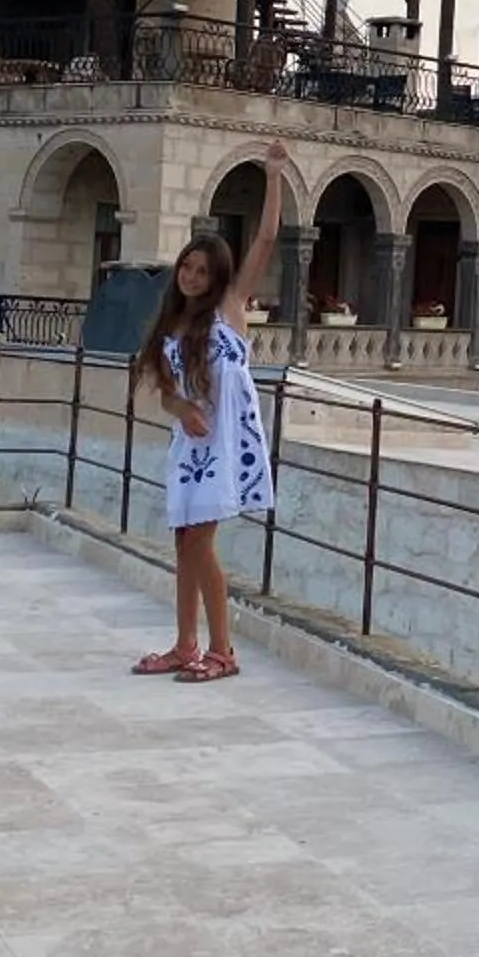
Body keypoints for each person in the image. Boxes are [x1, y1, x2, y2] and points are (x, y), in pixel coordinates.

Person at [131, 142, 288, 684]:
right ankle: (185, 644)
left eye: (201, 270)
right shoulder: (172, 324)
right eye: (186, 267)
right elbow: (166, 391)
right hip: (191, 443)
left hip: (223, 442)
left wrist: (272, 176)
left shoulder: (230, 309)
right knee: (183, 541)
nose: (191, 277)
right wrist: (181, 410)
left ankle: (223, 651)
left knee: (200, 542)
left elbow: (266, 239)